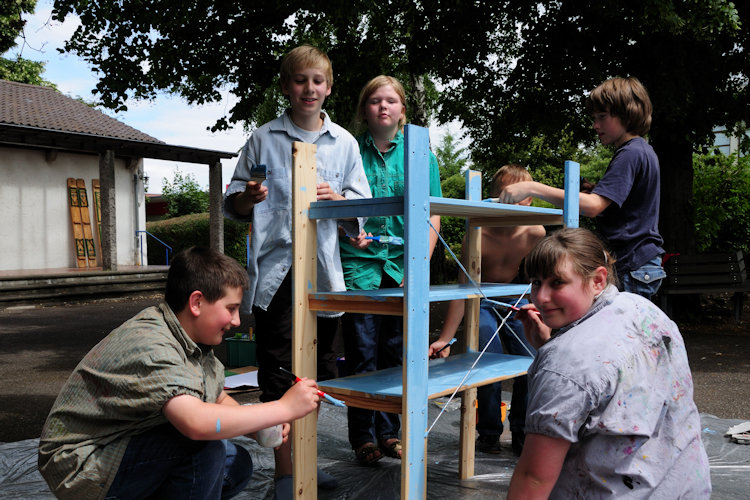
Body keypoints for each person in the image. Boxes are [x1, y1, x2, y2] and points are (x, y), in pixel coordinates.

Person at [37, 247, 321, 500]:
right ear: (196, 302)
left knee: (235, 463)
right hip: (81, 465)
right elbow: (197, 423)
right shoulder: (152, 345)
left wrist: (258, 426)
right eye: (231, 309)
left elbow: (215, 397)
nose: (236, 321)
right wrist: (283, 408)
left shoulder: (190, 336)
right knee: (203, 448)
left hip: (120, 445)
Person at [222, 45, 371, 497]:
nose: (310, 88)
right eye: (300, 80)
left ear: (329, 87)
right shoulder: (263, 137)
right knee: (278, 371)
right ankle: (287, 472)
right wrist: (249, 197)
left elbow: (359, 212)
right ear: (286, 86)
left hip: (323, 272)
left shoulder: (344, 142)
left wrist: (339, 202)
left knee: (319, 370)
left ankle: (310, 460)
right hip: (276, 276)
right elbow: (233, 203)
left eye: (318, 81)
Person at [507, 228, 711, 498]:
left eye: (557, 283)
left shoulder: (565, 364)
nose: (541, 297)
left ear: (598, 281)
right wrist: (547, 346)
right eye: (535, 282)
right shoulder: (645, 310)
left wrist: (554, 355)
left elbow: (533, 479)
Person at [339, 75, 442, 466]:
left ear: (402, 110)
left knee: (396, 353)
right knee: (362, 353)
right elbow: (337, 205)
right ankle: (362, 437)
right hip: (360, 264)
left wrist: (421, 266)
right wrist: (348, 232)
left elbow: (432, 213)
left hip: (403, 266)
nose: (383, 107)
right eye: (375, 101)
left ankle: (389, 432)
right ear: (365, 110)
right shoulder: (351, 150)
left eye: (391, 101)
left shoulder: (421, 154)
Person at [499, 76, 666, 300]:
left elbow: (593, 207)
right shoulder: (642, 150)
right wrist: (598, 189)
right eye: (594, 118)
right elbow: (625, 202)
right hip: (641, 264)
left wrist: (532, 187)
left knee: (616, 334)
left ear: (626, 113)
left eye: (602, 117)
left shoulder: (630, 153)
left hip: (632, 264)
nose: (595, 125)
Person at [429, 164, 545, 456]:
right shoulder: (478, 231)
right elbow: (463, 287)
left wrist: (543, 315)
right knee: (487, 359)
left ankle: (522, 431)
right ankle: (490, 432)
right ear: (494, 198)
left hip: (516, 296)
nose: (520, 203)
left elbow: (539, 281)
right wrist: (446, 337)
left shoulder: (535, 231)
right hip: (481, 298)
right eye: (511, 196)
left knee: (531, 361)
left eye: (526, 197)